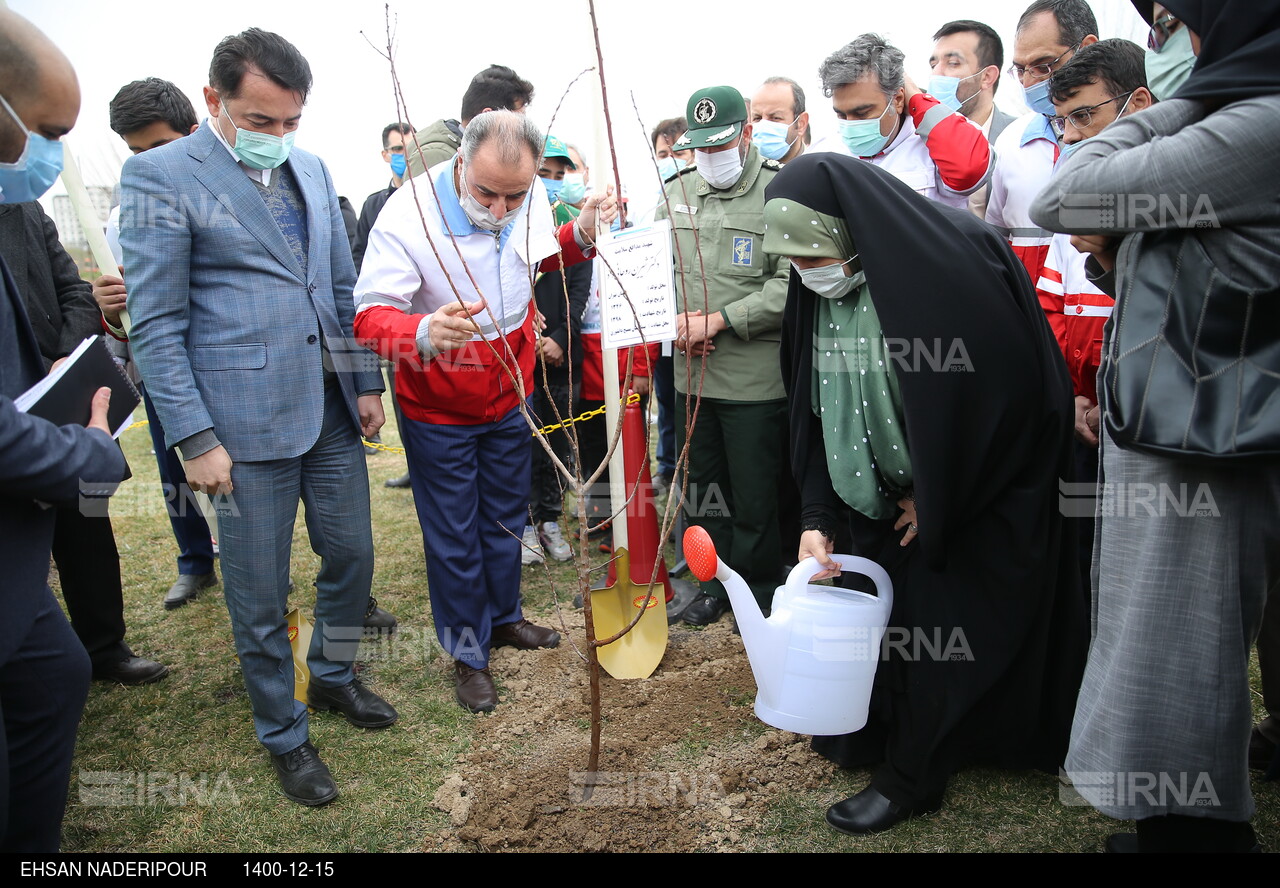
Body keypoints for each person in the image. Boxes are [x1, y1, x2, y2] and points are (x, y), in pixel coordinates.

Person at [765, 152, 1085, 834]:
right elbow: (814, 410)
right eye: (791, 260)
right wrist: (819, 512)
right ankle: (881, 733)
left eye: (814, 253)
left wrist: (944, 494)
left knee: (942, 634)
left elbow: (1011, 400)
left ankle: (915, 774)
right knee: (885, 630)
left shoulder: (952, 264)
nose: (805, 272)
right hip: (874, 493)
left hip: (977, 493)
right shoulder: (817, 293)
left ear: (851, 229)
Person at [121, 28, 396, 808]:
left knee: (352, 557)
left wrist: (364, 382)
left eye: (290, 121)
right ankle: (285, 732)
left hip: (331, 415)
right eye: (260, 120)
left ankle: (334, 673)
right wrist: (195, 437)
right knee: (258, 593)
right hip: (239, 430)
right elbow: (157, 323)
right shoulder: (160, 177)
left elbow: (338, 291)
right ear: (214, 101)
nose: (278, 137)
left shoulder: (311, 167)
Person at [1031, 0, 1280, 853]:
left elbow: (1066, 194)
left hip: (1203, 431)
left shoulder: (1260, 120)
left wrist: (1177, 101)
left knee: (1180, 639)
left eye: (1175, 25)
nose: (1165, 44)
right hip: (1178, 411)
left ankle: (1195, 831)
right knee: (1162, 632)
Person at [354, 110, 616, 713]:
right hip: (438, 402)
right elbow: (370, 316)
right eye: (486, 194)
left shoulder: (534, 197)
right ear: (461, 163)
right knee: (454, 533)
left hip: (510, 390)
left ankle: (503, 617)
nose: (500, 210)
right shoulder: (408, 214)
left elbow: (548, 256)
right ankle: (468, 653)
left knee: (505, 516)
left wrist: (584, 228)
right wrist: (420, 327)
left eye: (515, 197)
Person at [0, 7, 128, 851]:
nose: (51, 155)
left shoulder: (20, 210)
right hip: (34, 467)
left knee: (54, 676)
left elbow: (67, 284)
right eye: (46, 130)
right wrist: (90, 450)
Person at [0, 198, 168, 686]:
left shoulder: (23, 209)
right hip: (9, 422)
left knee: (86, 524)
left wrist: (61, 360)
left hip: (59, 403)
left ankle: (103, 645)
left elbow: (75, 293)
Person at [657, 86, 791, 627]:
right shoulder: (677, 191)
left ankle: (757, 589)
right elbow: (655, 275)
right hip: (691, 375)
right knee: (703, 491)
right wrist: (674, 323)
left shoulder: (779, 192)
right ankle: (712, 584)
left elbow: (791, 285)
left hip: (753, 379)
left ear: (747, 135)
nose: (710, 159)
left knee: (754, 492)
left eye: (721, 146)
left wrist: (720, 320)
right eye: (701, 149)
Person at [95, 77, 216, 612]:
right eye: (135, 153)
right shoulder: (123, 220)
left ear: (193, 133)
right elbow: (126, 323)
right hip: (166, 368)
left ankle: (262, 566)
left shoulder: (224, 199)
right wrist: (111, 308)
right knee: (177, 471)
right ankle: (194, 560)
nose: (146, 163)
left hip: (226, 360)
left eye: (160, 148)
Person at [1038, 38, 1153, 591]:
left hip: (1154, 428)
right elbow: (1053, 306)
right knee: (1091, 562)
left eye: (1084, 114)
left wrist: (1111, 252)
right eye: (1061, 121)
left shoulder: (1177, 199)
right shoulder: (1075, 198)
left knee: (1149, 575)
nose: (1071, 134)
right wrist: (1077, 393)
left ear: (1140, 104)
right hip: (1088, 419)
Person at [986, 0, 1098, 300]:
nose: (1028, 82)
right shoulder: (1011, 141)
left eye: (1043, 66)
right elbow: (996, 240)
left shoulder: (1127, 137)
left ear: (1086, 48)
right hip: (1027, 316)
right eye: (1020, 69)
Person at [816, 33, 994, 210]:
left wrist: (917, 98)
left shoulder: (935, 145)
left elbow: (968, 172)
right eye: (841, 115)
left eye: (862, 113)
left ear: (898, 99)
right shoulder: (825, 151)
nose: (851, 124)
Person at [524, 133, 589, 566]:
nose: (551, 180)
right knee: (521, 443)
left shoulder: (572, 219)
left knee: (557, 438)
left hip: (561, 356)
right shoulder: (511, 217)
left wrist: (560, 340)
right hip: (518, 354)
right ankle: (523, 522)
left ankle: (550, 517)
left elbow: (580, 288)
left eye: (558, 174)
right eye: (543, 173)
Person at [354, 121, 416, 496]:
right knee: (399, 396)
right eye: (396, 150)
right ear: (385, 155)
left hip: (424, 322)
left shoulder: (429, 200)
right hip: (389, 323)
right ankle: (413, 463)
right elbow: (359, 259)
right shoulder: (374, 205)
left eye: (410, 150)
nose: (403, 157)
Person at [927, 20, 1013, 217]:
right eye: (933, 64)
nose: (936, 73)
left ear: (987, 77)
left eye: (953, 63)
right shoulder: (918, 139)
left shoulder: (1018, 139)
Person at [404, 64, 533, 179]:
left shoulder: (479, 153)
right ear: (487, 115)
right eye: (518, 120)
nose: (521, 129)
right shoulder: (436, 158)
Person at [749, 77, 810, 164]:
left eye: (775, 118)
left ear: (801, 123)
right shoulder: (741, 173)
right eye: (757, 118)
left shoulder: (817, 173)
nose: (763, 125)